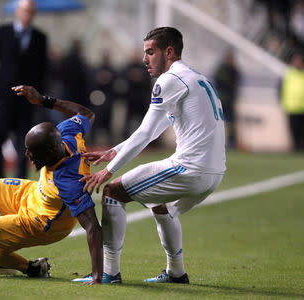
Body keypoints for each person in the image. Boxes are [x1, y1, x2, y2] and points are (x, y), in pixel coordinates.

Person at [74, 27, 226, 284]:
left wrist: (109, 171)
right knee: (161, 205)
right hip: (215, 172)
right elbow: (155, 129)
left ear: (168, 52)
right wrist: (114, 151)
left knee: (112, 191)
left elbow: (144, 134)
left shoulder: (169, 81)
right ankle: (176, 273)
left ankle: (109, 272)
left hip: (190, 168)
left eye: (150, 52)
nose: (144, 59)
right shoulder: (195, 77)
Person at [0, 85, 103, 284]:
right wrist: (43, 100)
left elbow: (92, 226)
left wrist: (97, 275)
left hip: (42, 222)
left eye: (32, 152)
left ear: (49, 153)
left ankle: (29, 267)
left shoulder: (69, 182)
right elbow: (86, 113)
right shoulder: (67, 132)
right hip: (34, 193)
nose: (27, 156)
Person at [0, 0, 47, 179]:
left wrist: (37, 95)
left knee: (24, 145)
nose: (28, 15)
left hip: (25, 102)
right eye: (25, 11)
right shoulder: (3, 32)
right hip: (3, 100)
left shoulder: (39, 37)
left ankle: (19, 184)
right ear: (18, 12)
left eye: (31, 12)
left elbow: (43, 70)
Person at [213, 51, 240, 149]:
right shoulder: (222, 70)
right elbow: (222, 82)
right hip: (222, 101)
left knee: (230, 122)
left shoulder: (234, 71)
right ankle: (216, 142)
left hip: (229, 101)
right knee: (218, 122)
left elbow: (236, 81)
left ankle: (231, 142)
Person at [280, 51, 304, 151]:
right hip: (291, 107)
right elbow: (281, 89)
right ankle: (296, 150)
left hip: (302, 108)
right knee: (294, 132)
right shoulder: (288, 74)